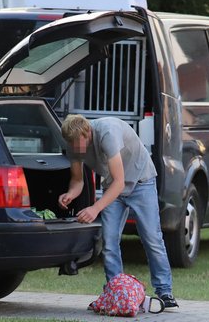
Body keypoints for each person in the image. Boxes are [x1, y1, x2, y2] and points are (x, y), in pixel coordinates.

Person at [59, 114, 178, 310]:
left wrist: (95, 208)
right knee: (109, 241)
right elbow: (78, 180)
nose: (77, 149)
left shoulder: (107, 132)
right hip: (112, 187)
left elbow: (120, 182)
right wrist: (70, 194)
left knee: (151, 238)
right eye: (71, 144)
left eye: (79, 143)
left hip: (141, 182)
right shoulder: (74, 144)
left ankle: (164, 291)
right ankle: (115, 292)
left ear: (87, 132)